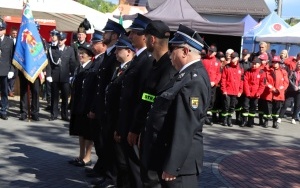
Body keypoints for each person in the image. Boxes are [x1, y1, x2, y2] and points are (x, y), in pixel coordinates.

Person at [141, 24, 211, 188]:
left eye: (173, 50)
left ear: (185, 52)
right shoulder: (184, 75)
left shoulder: (194, 80)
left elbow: (185, 127)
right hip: (169, 158)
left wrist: (173, 166)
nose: (170, 54)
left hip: (180, 167)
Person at [129, 20, 177, 187]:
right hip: (147, 133)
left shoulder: (169, 68)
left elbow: (160, 107)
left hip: (158, 138)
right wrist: (136, 128)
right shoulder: (155, 65)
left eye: (146, 36)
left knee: (152, 180)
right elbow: (146, 98)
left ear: (152, 40)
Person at [112, 13, 154, 188]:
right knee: (128, 168)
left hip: (133, 126)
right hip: (127, 123)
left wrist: (134, 128)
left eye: (134, 33)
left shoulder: (147, 61)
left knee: (136, 172)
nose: (130, 36)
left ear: (144, 36)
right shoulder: (139, 58)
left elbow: (143, 97)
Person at [89, 19, 125, 188]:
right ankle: (103, 171)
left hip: (109, 108)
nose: (104, 35)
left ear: (115, 35)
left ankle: (110, 176)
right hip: (103, 106)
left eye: (107, 33)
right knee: (101, 141)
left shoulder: (115, 57)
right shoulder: (109, 55)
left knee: (107, 144)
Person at [105, 34, 136, 187]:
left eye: (119, 49)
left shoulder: (131, 69)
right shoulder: (119, 68)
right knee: (116, 159)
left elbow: (126, 101)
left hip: (121, 122)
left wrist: (119, 127)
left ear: (129, 51)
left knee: (123, 163)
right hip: (114, 118)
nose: (116, 52)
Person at [84, 30, 107, 178]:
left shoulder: (103, 60)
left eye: (95, 43)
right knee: (97, 139)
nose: (92, 45)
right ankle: (100, 167)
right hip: (93, 105)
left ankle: (103, 169)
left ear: (103, 44)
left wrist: (93, 107)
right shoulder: (97, 59)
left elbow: (100, 87)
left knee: (100, 141)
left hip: (99, 107)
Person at [69, 43, 95, 167]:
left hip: (86, 105)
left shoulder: (91, 68)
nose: (80, 55)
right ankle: (80, 155)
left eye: (83, 54)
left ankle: (87, 157)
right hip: (78, 103)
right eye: (80, 53)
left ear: (90, 56)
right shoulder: (79, 67)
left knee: (87, 132)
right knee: (80, 131)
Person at [46, 32, 76, 121]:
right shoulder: (52, 49)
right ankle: (53, 114)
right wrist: (48, 74)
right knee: (54, 97)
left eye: (62, 39)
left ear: (65, 40)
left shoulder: (69, 50)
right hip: (55, 76)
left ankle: (64, 115)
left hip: (65, 77)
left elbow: (72, 63)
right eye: (59, 39)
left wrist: (72, 75)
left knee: (65, 97)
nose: (60, 41)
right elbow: (49, 64)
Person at [260, 56, 289, 129]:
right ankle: (266, 121)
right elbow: (265, 81)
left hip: (279, 94)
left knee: (276, 110)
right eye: (273, 62)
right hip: (269, 93)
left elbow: (285, 83)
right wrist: (272, 88)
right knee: (267, 109)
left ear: (279, 63)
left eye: (276, 62)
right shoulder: (267, 71)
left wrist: (279, 89)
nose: (275, 64)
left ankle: (274, 122)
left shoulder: (283, 72)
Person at [220, 52, 244, 127]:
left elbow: (241, 81)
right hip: (227, 90)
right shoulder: (226, 67)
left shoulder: (240, 68)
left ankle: (229, 120)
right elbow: (223, 79)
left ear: (237, 58)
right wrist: (224, 90)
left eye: (233, 58)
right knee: (226, 106)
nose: (232, 59)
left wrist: (240, 91)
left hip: (235, 91)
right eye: (231, 57)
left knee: (232, 106)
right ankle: (224, 119)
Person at [241, 57, 266, 127]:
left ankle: (250, 121)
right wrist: (247, 92)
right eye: (253, 63)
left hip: (256, 94)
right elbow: (245, 82)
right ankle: (244, 121)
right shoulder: (248, 71)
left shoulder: (262, 73)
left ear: (259, 64)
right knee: (245, 107)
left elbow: (262, 85)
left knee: (253, 108)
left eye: (255, 64)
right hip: (247, 93)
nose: (254, 65)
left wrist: (258, 93)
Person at [202, 46, 221, 125]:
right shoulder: (203, 60)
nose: (209, 52)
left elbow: (219, 73)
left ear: (215, 53)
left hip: (212, 85)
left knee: (211, 101)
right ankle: (203, 117)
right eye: (209, 51)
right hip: (203, 84)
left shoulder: (217, 61)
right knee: (203, 100)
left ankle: (205, 115)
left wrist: (215, 82)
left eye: (211, 51)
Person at [0, 19, 15, 120]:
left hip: (5, 70)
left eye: (1, 29)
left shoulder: (9, 41)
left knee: (4, 91)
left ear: (5, 30)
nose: (0, 31)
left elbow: (12, 57)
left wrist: (12, 70)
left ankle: (3, 110)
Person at [8, 27, 18, 97]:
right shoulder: (7, 39)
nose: (15, 34)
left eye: (16, 33)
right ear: (10, 33)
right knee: (7, 78)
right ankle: (9, 90)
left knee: (14, 77)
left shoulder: (18, 41)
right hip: (8, 61)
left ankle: (11, 89)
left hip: (15, 62)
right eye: (13, 33)